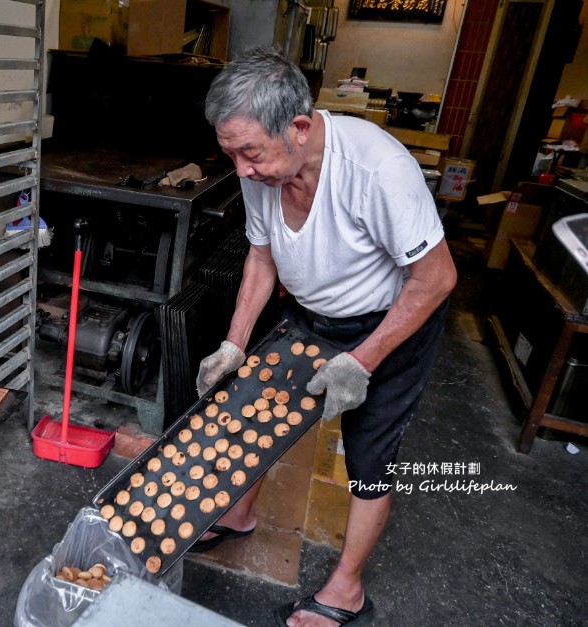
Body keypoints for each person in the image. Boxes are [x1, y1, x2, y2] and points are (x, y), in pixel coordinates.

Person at [192, 48, 457, 627]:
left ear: (300, 127)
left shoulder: (376, 171)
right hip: (311, 315)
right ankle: (239, 514)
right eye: (230, 153)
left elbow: (436, 278)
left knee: (368, 457)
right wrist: (235, 344)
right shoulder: (264, 170)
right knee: (258, 414)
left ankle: (347, 589)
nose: (240, 169)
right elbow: (261, 259)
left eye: (250, 152)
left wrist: (362, 362)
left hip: (391, 324)